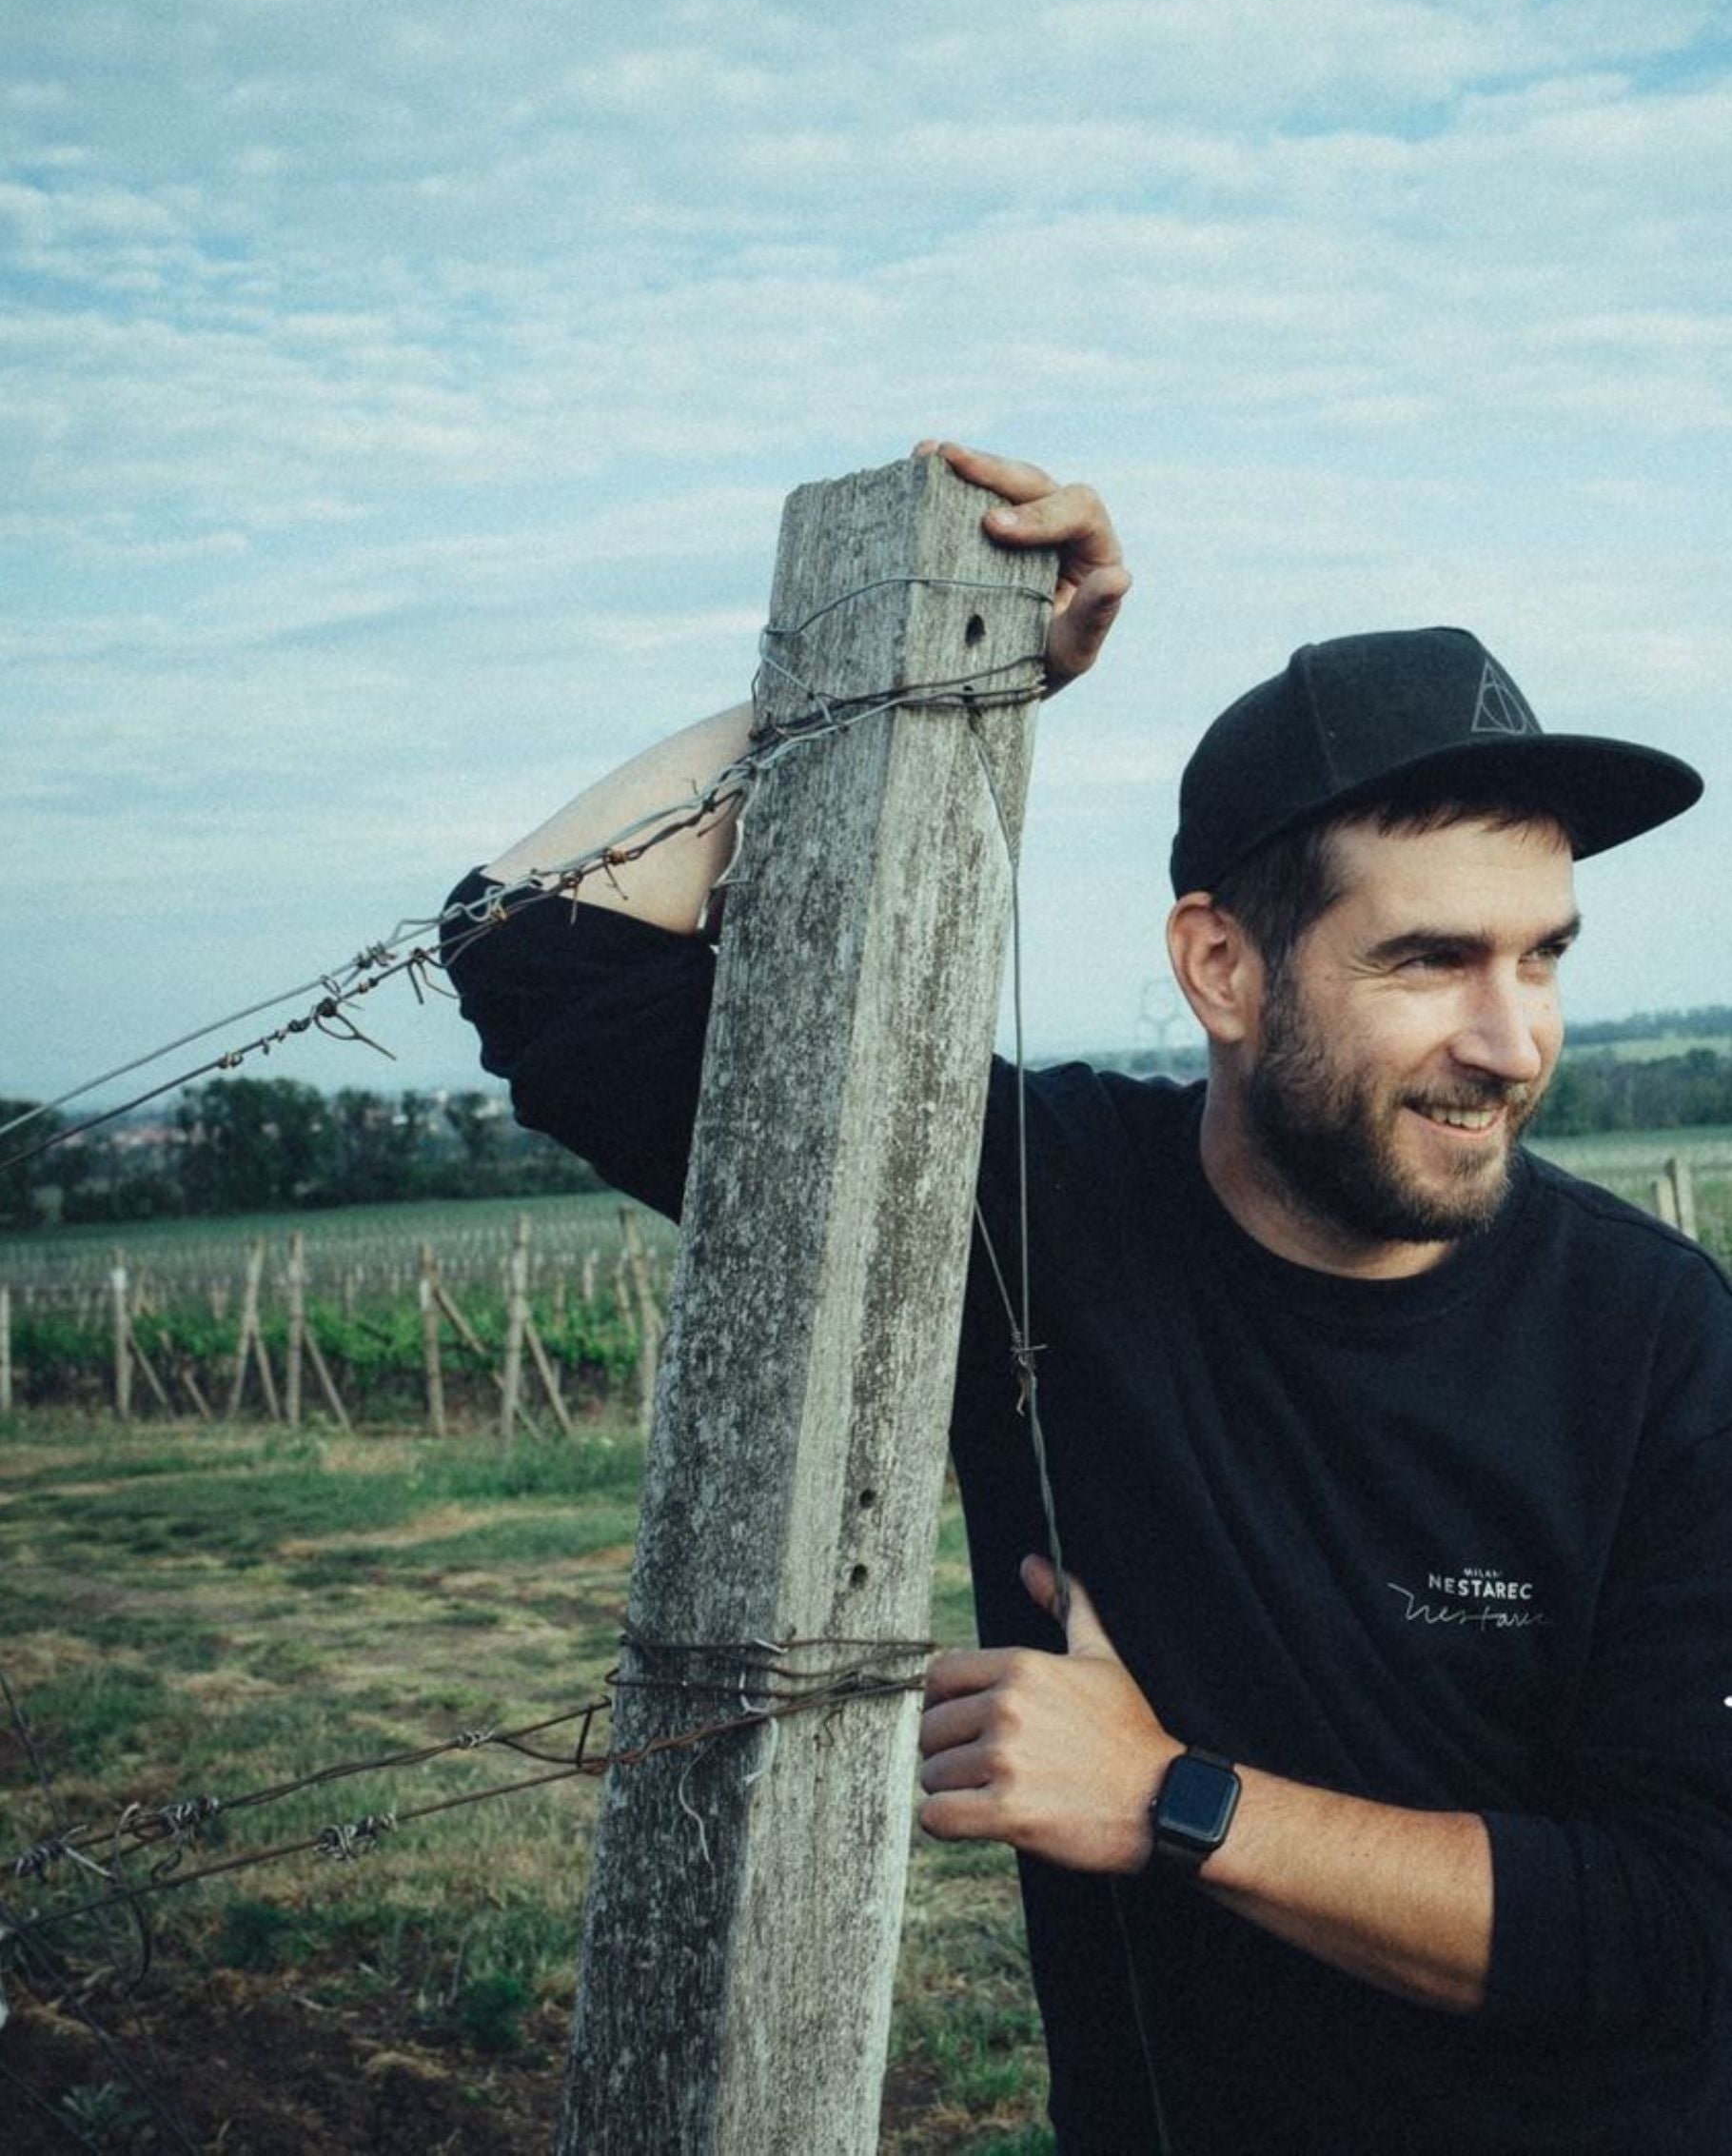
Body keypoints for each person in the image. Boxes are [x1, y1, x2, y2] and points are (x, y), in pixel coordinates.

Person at [443, 445, 1732, 2152]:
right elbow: (537, 942)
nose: (1511, 1042)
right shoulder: (1020, 1209)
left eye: (1544, 954)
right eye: (1431, 961)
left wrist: (1169, 1801)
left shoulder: (1665, 1342)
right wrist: (928, 682)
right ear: (1221, 968)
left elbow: (1680, 1925)